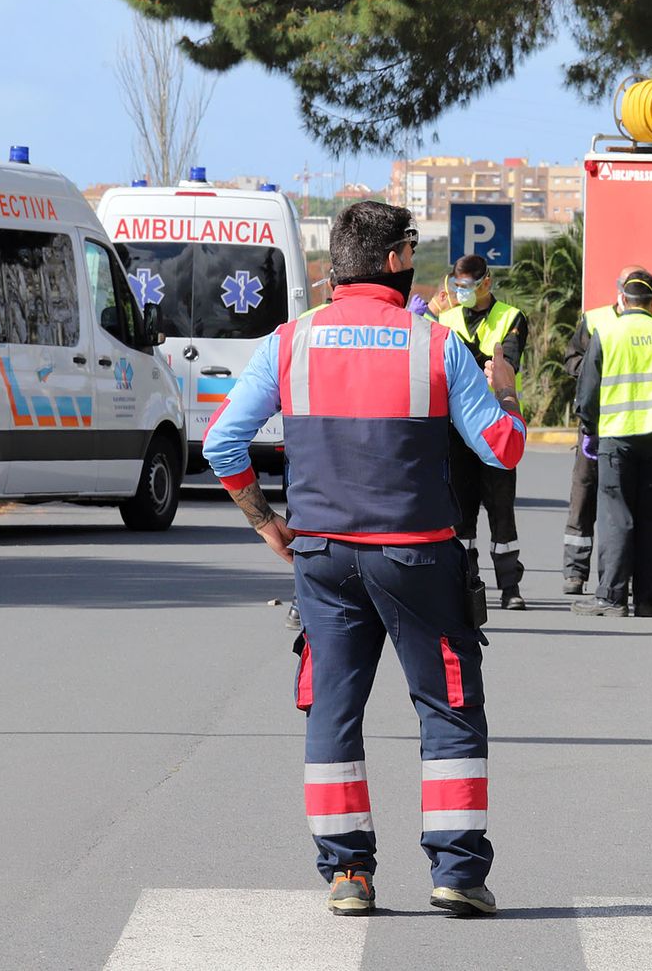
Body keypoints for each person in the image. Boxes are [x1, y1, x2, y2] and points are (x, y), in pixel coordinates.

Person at [202, 201, 526, 919]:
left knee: (333, 710)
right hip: (415, 556)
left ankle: (347, 871)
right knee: (447, 706)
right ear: (391, 261)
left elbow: (222, 443)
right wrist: (505, 388)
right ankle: (457, 871)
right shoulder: (435, 344)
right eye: (413, 248)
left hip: (321, 556)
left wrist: (267, 524)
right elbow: (501, 446)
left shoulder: (290, 342)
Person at [570, 270, 652, 618]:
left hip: (616, 439)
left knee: (617, 518)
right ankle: (647, 600)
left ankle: (612, 598)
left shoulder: (608, 332)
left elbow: (587, 392)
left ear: (623, 299)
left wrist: (588, 429)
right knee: (648, 520)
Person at [437, 254, 530, 611]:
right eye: (457, 285)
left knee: (501, 509)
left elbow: (505, 364)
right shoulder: (444, 319)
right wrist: (478, 359)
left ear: (486, 283)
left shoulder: (510, 317)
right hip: (456, 432)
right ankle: (467, 581)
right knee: (460, 513)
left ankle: (510, 586)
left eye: (468, 285)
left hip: (495, 426)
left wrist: (463, 357)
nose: (462, 292)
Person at [558, 266, 648, 595]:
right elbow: (572, 360)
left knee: (621, 507)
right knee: (582, 499)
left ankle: (616, 575)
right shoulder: (595, 320)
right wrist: (600, 363)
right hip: (593, 424)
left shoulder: (647, 327)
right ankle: (575, 571)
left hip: (625, 426)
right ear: (619, 290)